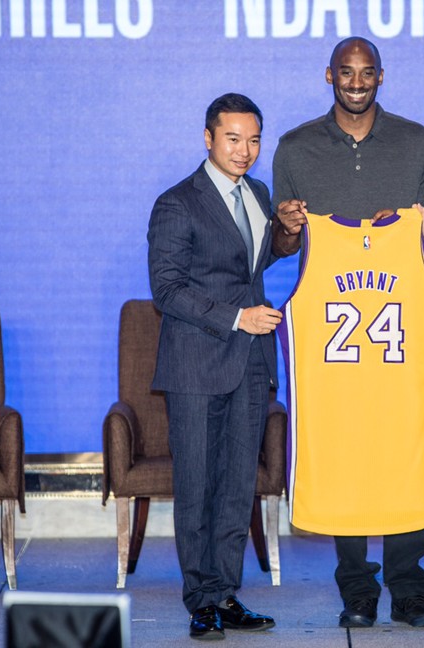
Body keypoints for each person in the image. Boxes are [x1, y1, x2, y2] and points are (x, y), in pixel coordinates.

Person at [271, 37, 424, 629]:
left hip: (401, 346)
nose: (355, 81)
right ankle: (356, 592)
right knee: (343, 459)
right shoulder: (294, 147)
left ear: (381, 77)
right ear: (328, 76)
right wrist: (290, 228)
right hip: (333, 351)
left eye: (366, 72)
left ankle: (410, 589)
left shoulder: (418, 142)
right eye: (345, 72)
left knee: (405, 458)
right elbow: (282, 247)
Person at [147, 93, 282, 640]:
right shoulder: (177, 202)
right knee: (198, 485)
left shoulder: (260, 194)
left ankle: (225, 593)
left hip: (250, 365)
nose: (244, 150)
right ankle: (199, 598)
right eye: (233, 138)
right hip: (197, 364)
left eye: (253, 139)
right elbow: (167, 290)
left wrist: (289, 231)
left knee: (235, 487)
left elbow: (256, 261)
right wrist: (236, 318)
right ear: (208, 138)